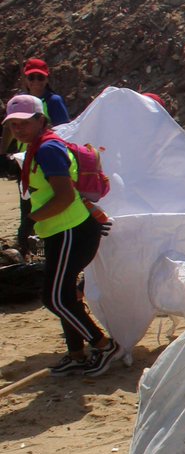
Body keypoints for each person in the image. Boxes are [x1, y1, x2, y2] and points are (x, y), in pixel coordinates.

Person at [3, 94, 123, 378]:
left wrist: (33, 219)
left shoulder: (47, 150)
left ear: (39, 120)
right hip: (60, 231)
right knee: (65, 293)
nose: (17, 129)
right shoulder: (36, 148)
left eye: (23, 123)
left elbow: (65, 196)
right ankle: (77, 354)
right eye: (12, 124)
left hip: (72, 230)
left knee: (55, 298)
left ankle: (104, 345)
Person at [7, 58, 71, 260]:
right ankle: (30, 246)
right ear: (25, 78)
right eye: (31, 77)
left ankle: (40, 246)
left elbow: (65, 130)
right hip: (24, 162)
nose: (36, 81)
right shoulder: (19, 100)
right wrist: (3, 154)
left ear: (46, 78)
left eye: (40, 77)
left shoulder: (53, 102)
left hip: (45, 161)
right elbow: (7, 130)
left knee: (44, 201)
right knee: (27, 201)